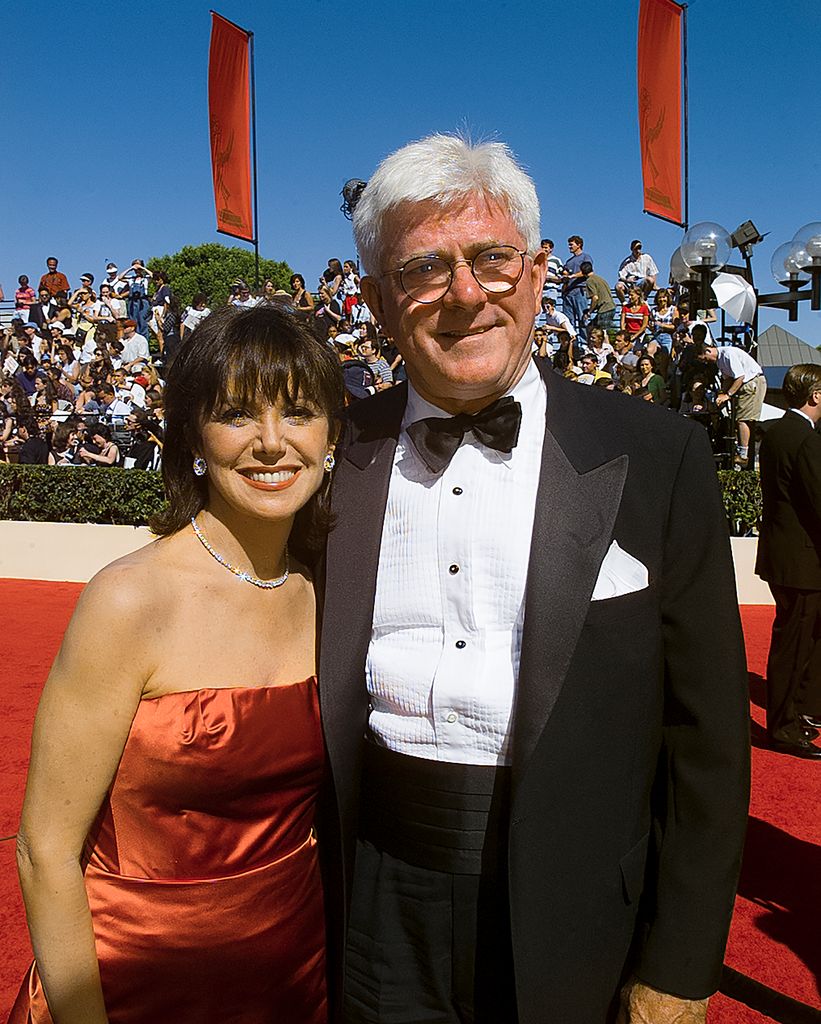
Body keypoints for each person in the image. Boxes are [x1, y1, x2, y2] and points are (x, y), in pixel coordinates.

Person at [319, 133, 750, 1024]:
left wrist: (678, 966)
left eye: (490, 259)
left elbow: (706, 738)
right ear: (376, 300)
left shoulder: (656, 454)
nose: (465, 295)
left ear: (540, 270)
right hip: (371, 901)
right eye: (425, 269)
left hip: (580, 911)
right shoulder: (333, 453)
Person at [10, 304, 344, 1024]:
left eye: (297, 413)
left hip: (294, 978)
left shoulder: (334, 588)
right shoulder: (129, 600)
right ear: (194, 436)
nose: (270, 443)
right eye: (235, 415)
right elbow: (44, 850)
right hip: (135, 986)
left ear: (331, 436)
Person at [754, 364, 821, 760]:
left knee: (802, 639)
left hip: (785, 557)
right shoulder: (806, 440)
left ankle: (804, 711)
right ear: (813, 396)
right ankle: (785, 725)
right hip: (804, 561)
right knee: (795, 644)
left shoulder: (777, 432)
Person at [695, 339, 766, 466]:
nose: (705, 361)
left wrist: (728, 395)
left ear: (708, 350)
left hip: (751, 383)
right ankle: (742, 452)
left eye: (704, 358)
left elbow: (739, 376)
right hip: (745, 384)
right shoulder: (720, 361)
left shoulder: (728, 354)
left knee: (743, 420)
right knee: (739, 419)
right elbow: (728, 379)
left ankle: (743, 455)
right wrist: (721, 394)